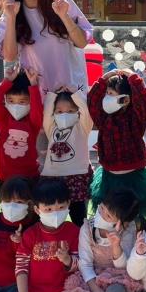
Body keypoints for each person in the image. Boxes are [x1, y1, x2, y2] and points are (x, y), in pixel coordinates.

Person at [0, 0, 92, 94]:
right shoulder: (10, 10)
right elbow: (9, 56)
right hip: (35, 93)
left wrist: (64, 16)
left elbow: (82, 42)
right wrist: (11, 18)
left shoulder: (61, 1)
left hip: (70, 93)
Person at [87, 69, 146, 215]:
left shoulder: (136, 119)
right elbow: (92, 102)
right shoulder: (103, 119)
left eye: (111, 93)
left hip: (134, 178)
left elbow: (143, 101)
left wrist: (133, 78)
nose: (107, 97)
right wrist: (104, 79)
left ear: (126, 99)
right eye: (106, 93)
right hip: (109, 177)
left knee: (134, 216)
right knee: (110, 215)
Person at [41, 87, 94, 227]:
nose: (64, 114)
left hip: (77, 178)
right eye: (59, 111)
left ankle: (81, 239)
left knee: (79, 219)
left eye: (70, 111)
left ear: (77, 112)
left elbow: (86, 112)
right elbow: (46, 114)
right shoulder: (51, 128)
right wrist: (52, 95)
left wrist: (76, 94)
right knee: (52, 218)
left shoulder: (82, 127)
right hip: (53, 178)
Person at [0, 68, 43, 188]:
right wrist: (7, 81)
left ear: (30, 102)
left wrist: (33, 86)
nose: (16, 105)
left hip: (29, 177)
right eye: (11, 100)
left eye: (22, 101)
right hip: (4, 177)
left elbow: (37, 109)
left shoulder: (33, 122)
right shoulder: (4, 118)